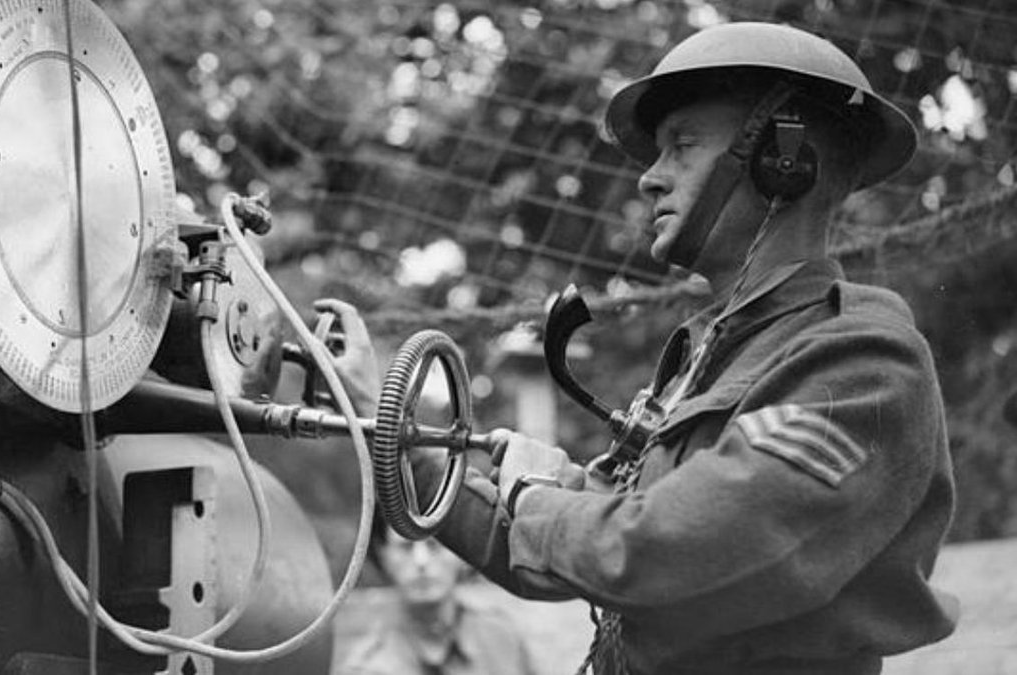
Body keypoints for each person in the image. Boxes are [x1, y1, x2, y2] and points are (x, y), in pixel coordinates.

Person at [325, 21, 959, 675]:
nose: (649, 179)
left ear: (783, 159)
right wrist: (380, 416)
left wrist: (533, 496)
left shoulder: (862, 363)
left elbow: (669, 549)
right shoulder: (707, 357)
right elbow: (555, 544)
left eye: (682, 146)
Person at [336, 508, 537, 675]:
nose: (421, 561)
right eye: (406, 547)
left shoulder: (500, 637)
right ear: (383, 554)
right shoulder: (367, 667)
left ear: (460, 550)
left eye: (434, 546)